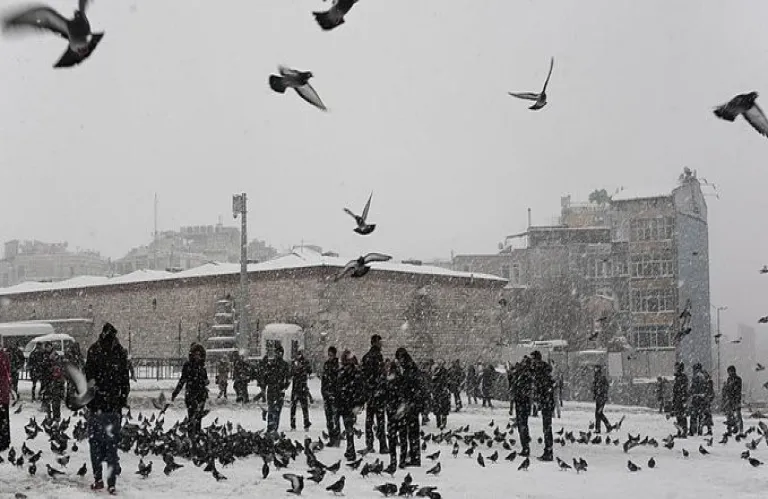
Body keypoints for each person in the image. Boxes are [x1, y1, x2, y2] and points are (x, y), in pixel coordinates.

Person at [85, 322, 130, 494]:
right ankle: (108, 482)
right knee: (109, 445)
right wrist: (121, 398)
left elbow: (88, 377)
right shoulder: (116, 352)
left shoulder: (96, 351)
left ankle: (101, 480)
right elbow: (124, 379)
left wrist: (92, 396)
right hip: (108, 405)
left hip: (103, 405)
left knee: (98, 444)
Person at [172, 343, 209, 444]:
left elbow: (205, 380)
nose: (197, 356)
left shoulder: (202, 366)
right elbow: (183, 380)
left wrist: (205, 382)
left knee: (198, 419)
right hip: (191, 395)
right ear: (192, 354)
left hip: (201, 396)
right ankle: (191, 440)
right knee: (192, 418)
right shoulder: (188, 365)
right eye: (195, 354)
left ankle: (195, 440)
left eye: (199, 354)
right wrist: (175, 392)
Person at [395, 347, 424, 468]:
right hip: (412, 404)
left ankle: (415, 457)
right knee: (413, 432)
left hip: (411, 404)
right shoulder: (410, 368)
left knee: (412, 432)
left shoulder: (409, 370)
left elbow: (410, 387)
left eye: (399, 359)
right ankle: (414, 456)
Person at [337, 349, 365, 461]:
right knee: (349, 427)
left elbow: (340, 389)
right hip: (351, 403)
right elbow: (361, 389)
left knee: (348, 427)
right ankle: (350, 449)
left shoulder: (346, 373)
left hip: (347, 403)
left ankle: (350, 449)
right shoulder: (356, 373)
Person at [362, 334, 387, 453]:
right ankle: (382, 444)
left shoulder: (366, 357)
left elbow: (364, 376)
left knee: (369, 420)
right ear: (376, 343)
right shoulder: (378, 357)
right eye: (380, 342)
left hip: (370, 393)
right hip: (378, 393)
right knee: (380, 420)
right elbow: (380, 376)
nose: (381, 344)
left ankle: (370, 443)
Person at [531, 350, 554, 462]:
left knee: (547, 428)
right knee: (547, 428)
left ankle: (548, 451)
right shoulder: (544, 370)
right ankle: (548, 450)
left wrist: (540, 399)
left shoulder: (541, 372)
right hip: (547, 402)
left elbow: (542, 388)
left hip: (546, 402)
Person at [263, 344, 291, 436]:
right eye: (277, 353)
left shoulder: (282, 365)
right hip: (273, 390)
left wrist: (284, 386)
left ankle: (273, 428)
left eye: (279, 353)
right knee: (272, 410)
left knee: (276, 411)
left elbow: (288, 378)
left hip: (277, 391)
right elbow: (266, 377)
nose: (278, 355)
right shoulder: (272, 365)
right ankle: (270, 428)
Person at [383, 358, 404, 468]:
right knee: (402, 436)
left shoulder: (388, 381)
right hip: (400, 411)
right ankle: (402, 459)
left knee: (391, 437)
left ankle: (393, 459)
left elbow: (385, 395)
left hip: (392, 411)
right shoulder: (401, 380)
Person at [510, 357, 533, 457]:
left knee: (522, 425)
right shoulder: (528, 374)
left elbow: (515, 386)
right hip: (524, 403)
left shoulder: (523, 375)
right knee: (523, 425)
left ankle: (525, 447)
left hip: (521, 402)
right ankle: (526, 446)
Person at [321, 346, 341, 447]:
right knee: (329, 419)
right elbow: (324, 380)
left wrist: (336, 394)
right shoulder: (327, 365)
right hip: (327, 395)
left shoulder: (337, 366)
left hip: (334, 395)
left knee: (335, 418)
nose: (330, 357)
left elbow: (338, 381)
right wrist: (324, 392)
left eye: (331, 355)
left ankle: (336, 439)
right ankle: (332, 438)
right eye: (329, 355)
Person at [290, 350, 312, 431]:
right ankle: (293, 425)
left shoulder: (305, 362)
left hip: (302, 387)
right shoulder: (294, 363)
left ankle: (306, 424)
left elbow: (309, 371)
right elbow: (291, 373)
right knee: (294, 408)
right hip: (297, 387)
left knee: (304, 408)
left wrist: (303, 368)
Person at [722, 365, 743, 435]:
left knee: (737, 415)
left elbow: (737, 389)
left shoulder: (738, 379)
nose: (729, 373)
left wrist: (730, 388)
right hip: (730, 399)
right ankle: (730, 430)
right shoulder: (729, 379)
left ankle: (740, 430)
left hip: (736, 399)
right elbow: (728, 389)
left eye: (729, 371)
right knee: (729, 415)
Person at [46, 350, 66, 420]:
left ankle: (56, 417)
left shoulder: (57, 365)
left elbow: (57, 374)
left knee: (55, 402)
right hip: (57, 385)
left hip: (56, 385)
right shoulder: (58, 364)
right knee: (55, 402)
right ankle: (55, 416)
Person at [431, 360, 451, 430]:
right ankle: (440, 423)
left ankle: (442, 423)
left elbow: (448, 382)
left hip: (441, 392)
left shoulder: (444, 372)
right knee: (441, 409)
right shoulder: (438, 372)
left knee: (442, 409)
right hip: (440, 392)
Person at [689, 363, 707, 437]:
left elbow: (693, 388)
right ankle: (700, 430)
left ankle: (693, 430)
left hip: (696, 398)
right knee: (700, 416)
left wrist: (690, 392)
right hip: (702, 398)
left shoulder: (696, 377)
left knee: (693, 416)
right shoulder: (703, 377)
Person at [592, 365, 612, 433]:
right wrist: (595, 394)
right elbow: (595, 387)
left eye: (596, 369)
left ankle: (607, 426)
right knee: (597, 413)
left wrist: (601, 391)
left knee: (599, 413)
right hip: (599, 398)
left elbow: (606, 386)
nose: (595, 370)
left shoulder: (602, 377)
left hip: (602, 398)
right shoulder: (596, 377)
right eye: (595, 369)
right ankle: (600, 428)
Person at [672, 362, 689, 438]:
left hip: (681, 399)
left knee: (682, 416)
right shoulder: (678, 377)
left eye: (676, 367)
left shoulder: (682, 377)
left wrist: (682, 397)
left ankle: (684, 431)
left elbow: (683, 389)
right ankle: (680, 430)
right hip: (678, 398)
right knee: (678, 416)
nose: (675, 369)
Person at [0, 347, 11, 451]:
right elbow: (8, 371)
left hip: (2, 392)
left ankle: (2, 442)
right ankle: (5, 440)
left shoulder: (3, 356)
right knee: (4, 419)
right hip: (3, 392)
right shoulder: (4, 355)